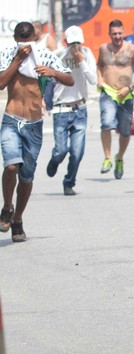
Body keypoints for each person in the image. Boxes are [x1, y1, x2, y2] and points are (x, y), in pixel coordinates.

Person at [0, 22, 73, 242]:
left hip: (33, 124)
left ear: (35, 37)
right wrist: (18, 60)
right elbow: (1, 83)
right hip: (11, 119)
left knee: (26, 176)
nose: (26, 46)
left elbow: (69, 79)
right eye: (22, 43)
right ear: (15, 39)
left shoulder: (44, 55)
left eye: (29, 42)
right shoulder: (7, 54)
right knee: (11, 165)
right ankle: (7, 207)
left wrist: (52, 73)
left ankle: (18, 219)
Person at [46, 26, 97, 196]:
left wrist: (81, 61)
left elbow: (93, 80)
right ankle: (55, 160)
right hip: (61, 109)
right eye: (72, 42)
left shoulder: (87, 53)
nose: (75, 46)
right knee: (61, 150)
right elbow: (46, 75)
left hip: (80, 110)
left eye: (78, 42)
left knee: (77, 152)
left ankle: (69, 182)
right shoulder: (59, 54)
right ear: (66, 41)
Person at [96, 19, 134, 179]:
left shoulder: (132, 50)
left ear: (124, 32)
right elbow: (99, 66)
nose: (117, 36)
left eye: (120, 33)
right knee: (106, 123)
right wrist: (100, 79)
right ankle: (107, 157)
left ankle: (120, 157)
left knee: (125, 130)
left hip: (126, 93)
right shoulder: (103, 49)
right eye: (114, 33)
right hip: (108, 92)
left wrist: (130, 88)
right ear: (109, 34)